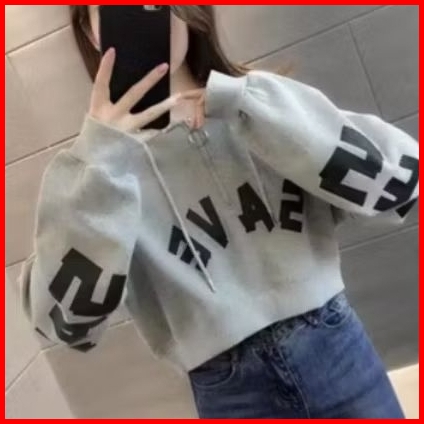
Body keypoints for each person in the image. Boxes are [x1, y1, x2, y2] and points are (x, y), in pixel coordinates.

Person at [18, 5, 417, 419]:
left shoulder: (264, 108)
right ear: (90, 31)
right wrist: (100, 160)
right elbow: (63, 323)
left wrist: (251, 104)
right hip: (231, 393)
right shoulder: (92, 175)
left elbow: (400, 183)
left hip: (337, 353)